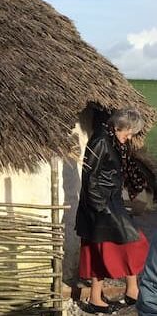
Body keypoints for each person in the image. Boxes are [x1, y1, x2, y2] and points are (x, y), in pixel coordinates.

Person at [75, 108, 149, 314]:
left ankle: (98, 298)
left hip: (108, 203)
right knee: (135, 242)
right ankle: (130, 290)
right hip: (101, 207)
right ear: (119, 126)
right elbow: (90, 178)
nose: (131, 135)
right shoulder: (101, 141)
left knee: (98, 251)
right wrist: (101, 209)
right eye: (130, 131)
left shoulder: (112, 140)